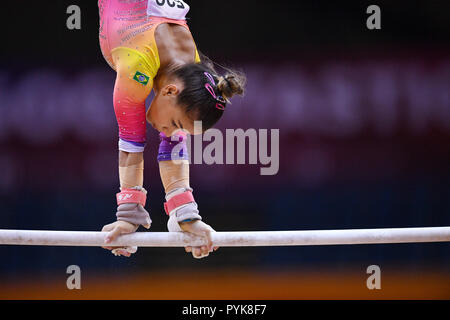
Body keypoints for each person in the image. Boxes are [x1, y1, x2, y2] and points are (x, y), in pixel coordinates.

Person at [97, 0, 246, 259]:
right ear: (169, 91)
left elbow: (174, 144)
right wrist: (128, 214)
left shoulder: (193, 73)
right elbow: (132, 146)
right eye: (176, 124)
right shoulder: (137, 66)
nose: (169, 130)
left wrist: (186, 215)